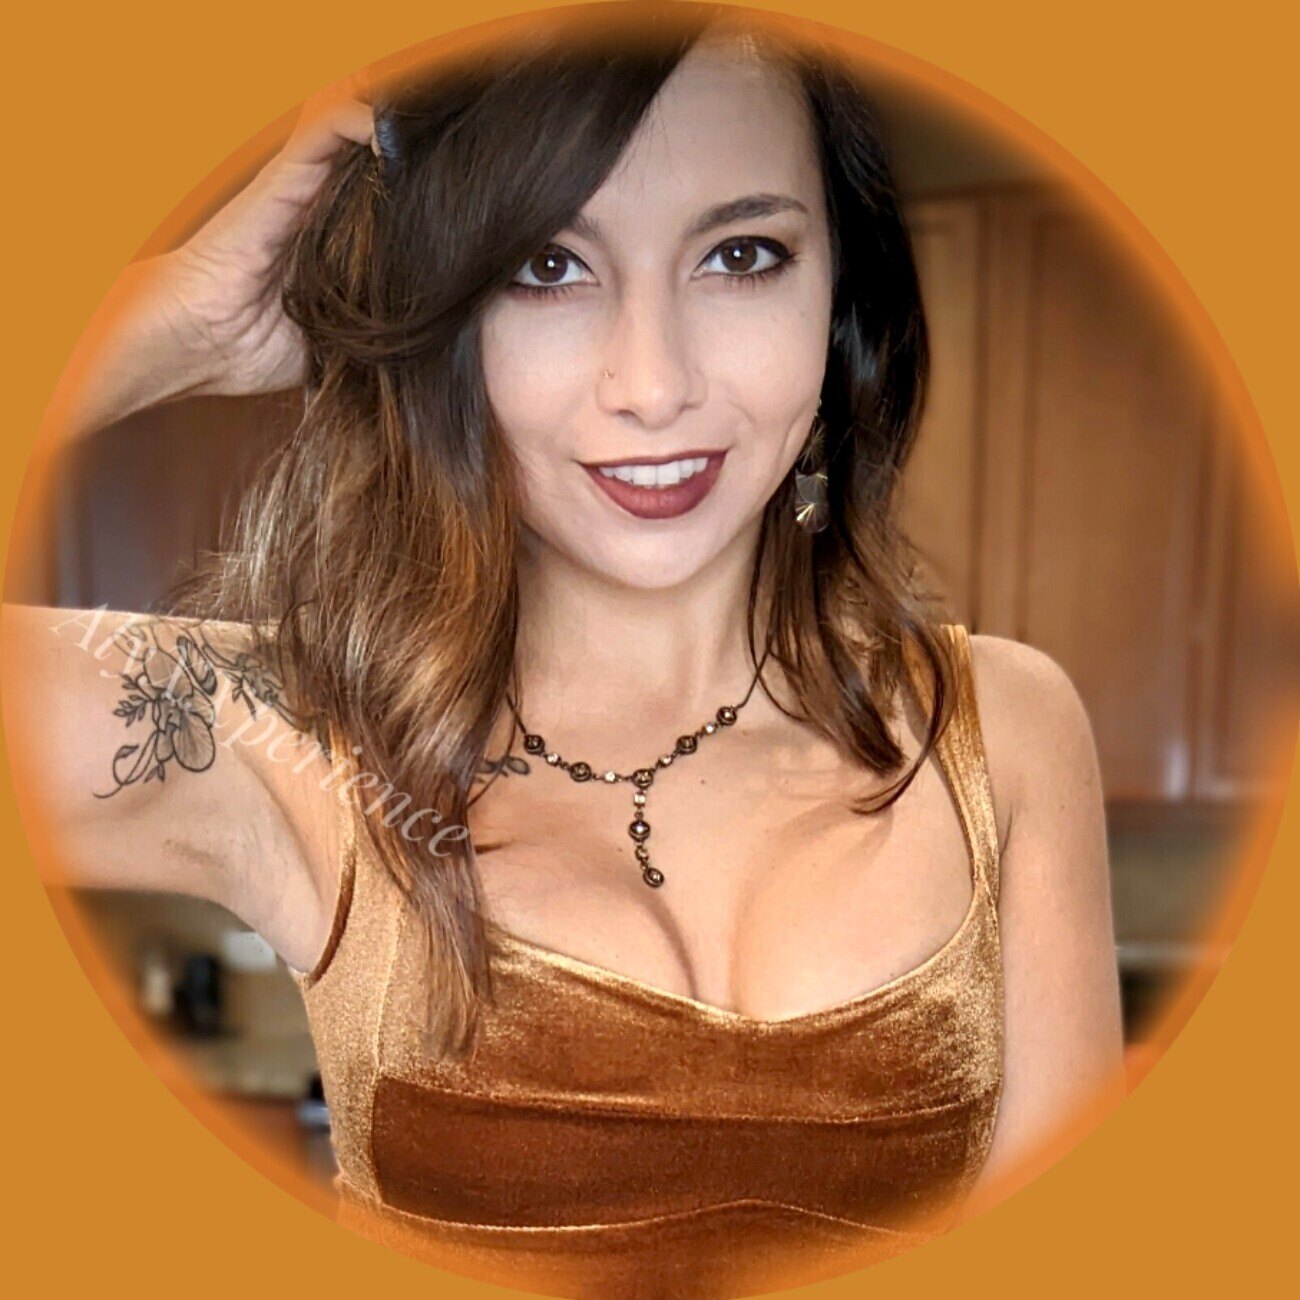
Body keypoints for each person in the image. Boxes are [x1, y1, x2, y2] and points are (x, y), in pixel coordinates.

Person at [2, 3, 1125, 1295]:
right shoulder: (298, 737)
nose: (652, 383)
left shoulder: (1000, 739)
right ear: (450, 315)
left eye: (742, 255)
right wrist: (171, 325)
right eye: (546, 266)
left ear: (839, 297)